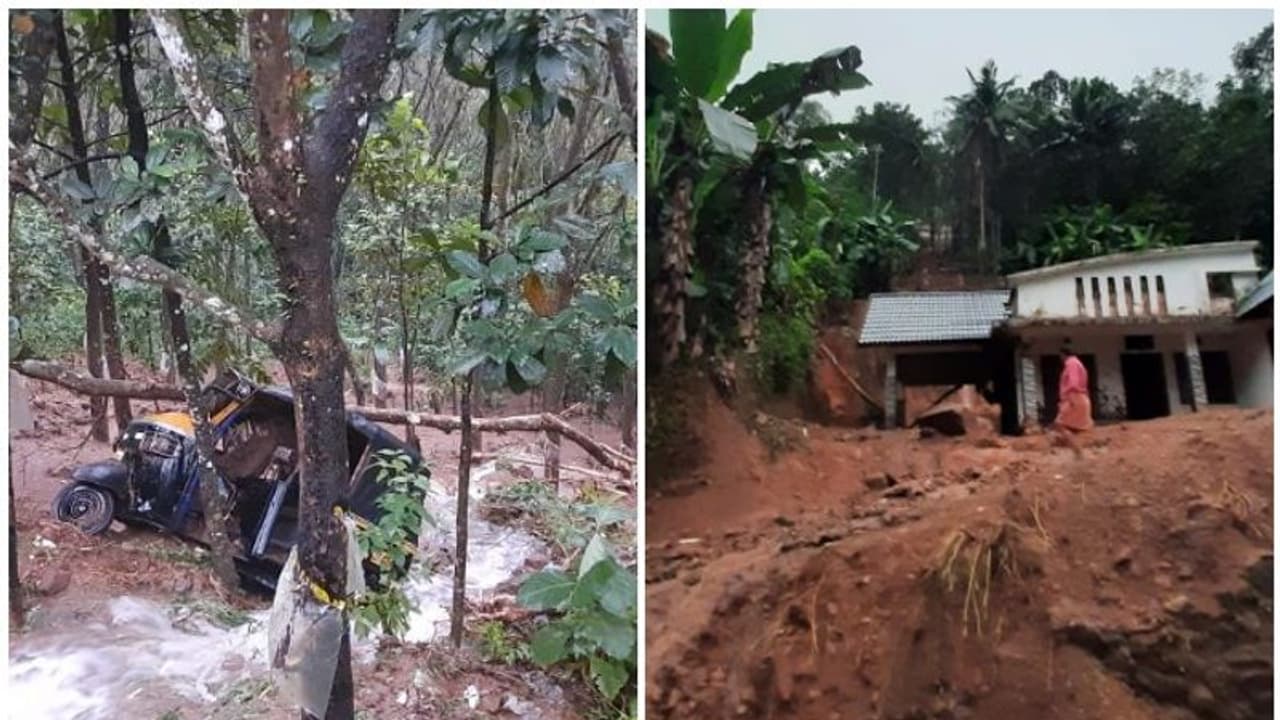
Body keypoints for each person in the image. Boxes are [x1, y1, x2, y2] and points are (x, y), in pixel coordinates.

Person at [1053, 347, 1092, 455]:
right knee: (1073, 427)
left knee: (1060, 424)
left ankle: (1078, 453)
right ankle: (1078, 453)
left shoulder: (1071, 364)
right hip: (1079, 397)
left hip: (1074, 397)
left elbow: (1073, 383)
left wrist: (1068, 398)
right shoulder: (1078, 363)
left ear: (1063, 355)